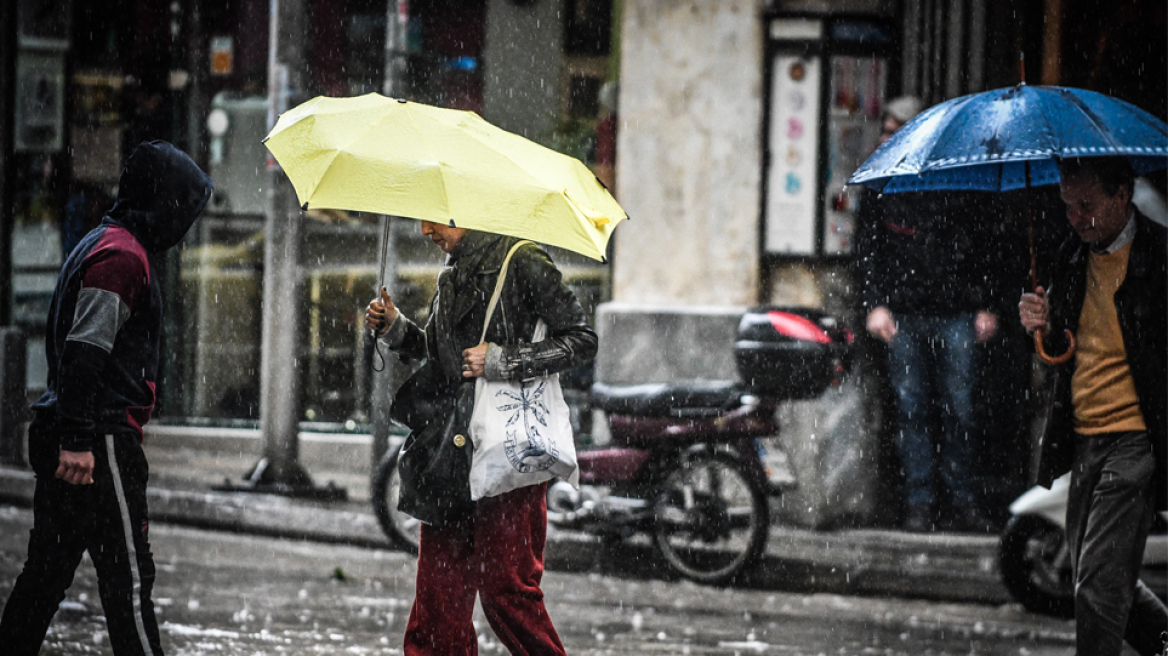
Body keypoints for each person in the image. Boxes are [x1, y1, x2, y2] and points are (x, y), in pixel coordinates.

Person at [0, 141, 212, 655]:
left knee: (46, 576)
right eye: (183, 206)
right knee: (129, 585)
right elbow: (85, 354)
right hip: (99, 444)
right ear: (163, 201)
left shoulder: (106, 242)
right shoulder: (121, 256)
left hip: (77, 435)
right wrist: (78, 439)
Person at [365, 222, 597, 655]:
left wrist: (505, 360)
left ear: (467, 211)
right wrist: (395, 328)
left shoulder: (523, 259)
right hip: (447, 455)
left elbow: (582, 340)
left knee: (506, 595)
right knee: (438, 607)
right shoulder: (453, 270)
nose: (424, 229)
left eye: (435, 216)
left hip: (503, 452)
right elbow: (444, 358)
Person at [1019, 156, 1167, 656]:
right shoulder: (1070, 254)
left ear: (1122, 195)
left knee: (1098, 590)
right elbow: (1063, 346)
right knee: (1095, 574)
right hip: (1085, 438)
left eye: (1087, 206)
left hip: (1136, 439)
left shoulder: (1160, 257)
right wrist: (1039, 322)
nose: (1076, 217)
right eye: (1067, 207)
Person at [853, 95, 1001, 533]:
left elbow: (985, 243)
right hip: (904, 314)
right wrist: (875, 303)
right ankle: (920, 501)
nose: (887, 137)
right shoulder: (881, 182)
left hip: (955, 312)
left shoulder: (956, 178)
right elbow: (866, 250)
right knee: (911, 410)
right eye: (887, 128)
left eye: (897, 128)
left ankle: (962, 499)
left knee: (960, 409)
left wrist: (986, 304)